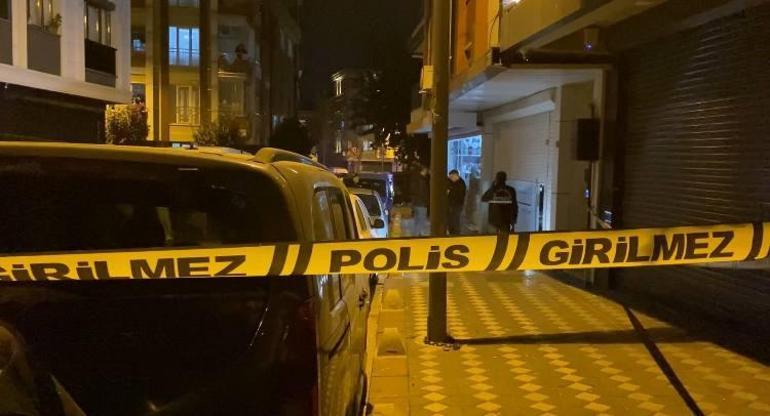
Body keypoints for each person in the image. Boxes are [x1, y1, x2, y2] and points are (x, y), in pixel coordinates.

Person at [411, 166, 429, 236]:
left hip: (415, 203)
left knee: (417, 220)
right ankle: (417, 235)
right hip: (421, 203)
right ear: (423, 171)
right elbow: (422, 192)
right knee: (421, 220)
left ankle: (417, 234)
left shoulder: (415, 179)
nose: (426, 172)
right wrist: (426, 201)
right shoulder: (421, 180)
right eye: (426, 170)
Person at [447, 169, 466, 235]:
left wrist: (450, 192)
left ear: (456, 176)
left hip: (457, 205)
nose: (450, 178)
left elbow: (459, 195)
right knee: (450, 220)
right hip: (450, 205)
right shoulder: (451, 182)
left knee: (456, 221)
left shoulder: (461, 183)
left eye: (451, 177)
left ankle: (456, 234)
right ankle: (451, 233)